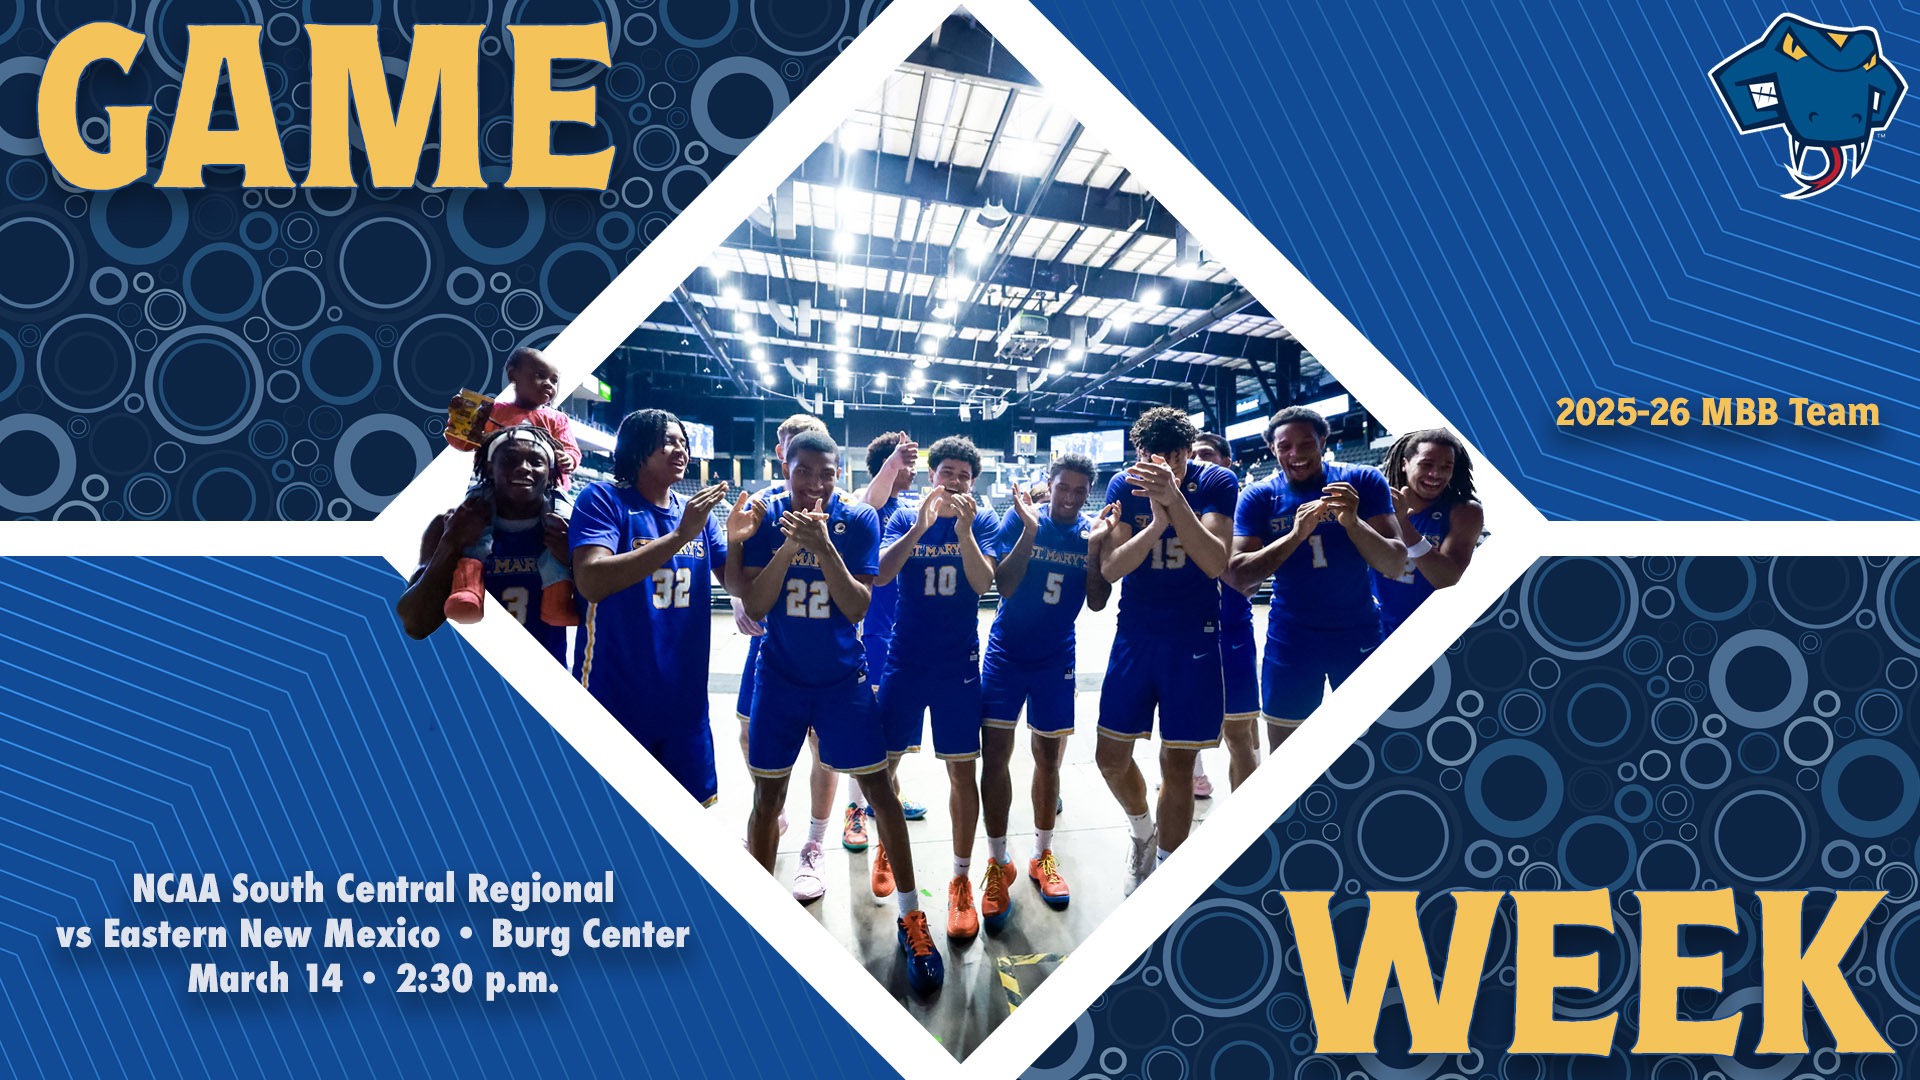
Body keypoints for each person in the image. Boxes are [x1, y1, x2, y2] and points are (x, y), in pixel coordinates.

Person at [730, 431, 944, 995]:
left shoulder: (859, 520)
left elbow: (856, 605)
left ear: (839, 470)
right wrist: (789, 546)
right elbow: (754, 604)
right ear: (787, 467)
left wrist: (822, 546)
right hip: (779, 678)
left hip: (842, 680)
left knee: (881, 794)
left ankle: (911, 917)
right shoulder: (763, 512)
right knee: (766, 798)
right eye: (805, 472)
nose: (816, 485)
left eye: (826, 473)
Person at [1094, 407, 1238, 896]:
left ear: (1184, 453)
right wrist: (1155, 525)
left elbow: (1217, 562)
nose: (1157, 466)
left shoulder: (1215, 480)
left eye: (1170, 458)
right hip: (1136, 631)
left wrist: (1176, 502)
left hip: (1192, 636)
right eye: (1147, 456)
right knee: (1109, 756)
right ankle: (1142, 832)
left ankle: (1168, 873)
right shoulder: (1122, 485)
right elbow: (1112, 568)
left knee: (1177, 764)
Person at [566, 409, 735, 807]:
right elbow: (590, 580)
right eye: (668, 440)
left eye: (682, 441)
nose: (680, 449)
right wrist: (679, 536)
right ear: (638, 447)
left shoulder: (698, 517)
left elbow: (742, 587)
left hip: (685, 704)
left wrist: (745, 541)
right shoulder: (603, 499)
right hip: (615, 697)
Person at [977, 453, 1114, 928]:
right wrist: (1031, 533)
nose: (1071, 498)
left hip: (1057, 657)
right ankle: (997, 861)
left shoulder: (1092, 530)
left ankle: (1041, 855)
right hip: (1006, 653)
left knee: (1048, 759)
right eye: (1064, 488)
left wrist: (1096, 549)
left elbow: (1097, 601)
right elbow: (1005, 585)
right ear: (1048, 484)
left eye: (1080, 491)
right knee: (994, 756)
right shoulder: (1021, 519)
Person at [875, 436, 999, 940]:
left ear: (973, 482)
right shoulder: (906, 514)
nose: (953, 481)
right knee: (884, 765)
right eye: (946, 472)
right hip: (905, 657)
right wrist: (922, 526)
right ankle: (888, 842)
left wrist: (964, 532)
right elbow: (881, 573)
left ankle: (961, 879)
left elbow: (982, 581)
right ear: (932, 476)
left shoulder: (982, 520)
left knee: (961, 772)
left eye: (963, 476)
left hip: (957, 664)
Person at [1227, 407, 1407, 754]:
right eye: (1285, 446)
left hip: (1358, 631)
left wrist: (1353, 523)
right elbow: (1238, 575)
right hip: (1291, 637)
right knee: (1285, 747)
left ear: (1323, 441)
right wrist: (1295, 535)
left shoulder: (1362, 480)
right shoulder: (1259, 496)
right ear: (1273, 450)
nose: (1296, 454)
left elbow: (1395, 563)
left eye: (1305, 443)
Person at [734, 413, 843, 901]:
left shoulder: (846, 509)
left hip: (824, 651)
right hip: (769, 644)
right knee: (749, 731)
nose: (787, 448)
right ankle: (770, 813)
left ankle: (814, 843)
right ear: (782, 457)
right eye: (783, 441)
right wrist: (739, 598)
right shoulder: (762, 504)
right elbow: (740, 577)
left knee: (824, 745)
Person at [397, 425, 574, 663]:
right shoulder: (448, 524)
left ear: (550, 471)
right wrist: (452, 543)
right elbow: (415, 624)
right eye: (510, 459)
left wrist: (572, 560)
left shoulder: (569, 528)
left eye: (535, 461)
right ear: (490, 467)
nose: (523, 468)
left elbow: (601, 612)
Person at [443, 348, 583, 627]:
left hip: (549, 492)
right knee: (472, 521)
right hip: (491, 488)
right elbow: (462, 443)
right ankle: (468, 586)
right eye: (540, 376)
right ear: (513, 375)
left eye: (554, 381)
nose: (549, 385)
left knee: (562, 528)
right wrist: (455, 422)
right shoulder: (491, 411)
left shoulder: (557, 419)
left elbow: (573, 454)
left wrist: (567, 458)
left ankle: (556, 596)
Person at [842, 432, 930, 853]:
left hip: (907, 630)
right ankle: (855, 810)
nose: (910, 471)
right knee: (866, 727)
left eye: (912, 465)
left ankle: (886, 797)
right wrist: (892, 463)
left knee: (892, 730)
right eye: (903, 465)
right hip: (873, 630)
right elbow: (868, 499)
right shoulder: (867, 506)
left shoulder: (912, 509)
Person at [1190, 432, 1261, 792]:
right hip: (1185, 630)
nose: (1198, 461)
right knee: (1182, 721)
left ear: (1226, 462)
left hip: (1231, 627)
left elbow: (1247, 577)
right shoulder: (1179, 503)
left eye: (1206, 455)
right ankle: (1195, 774)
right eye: (1193, 455)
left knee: (1241, 729)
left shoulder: (1243, 506)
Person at [1375, 429, 1482, 636]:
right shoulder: (1375, 503)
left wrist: (1403, 523)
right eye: (1426, 464)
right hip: (1375, 626)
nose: (1436, 474)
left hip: (1432, 631)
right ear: (1404, 464)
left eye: (1446, 467)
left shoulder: (1465, 511)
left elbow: (1446, 578)